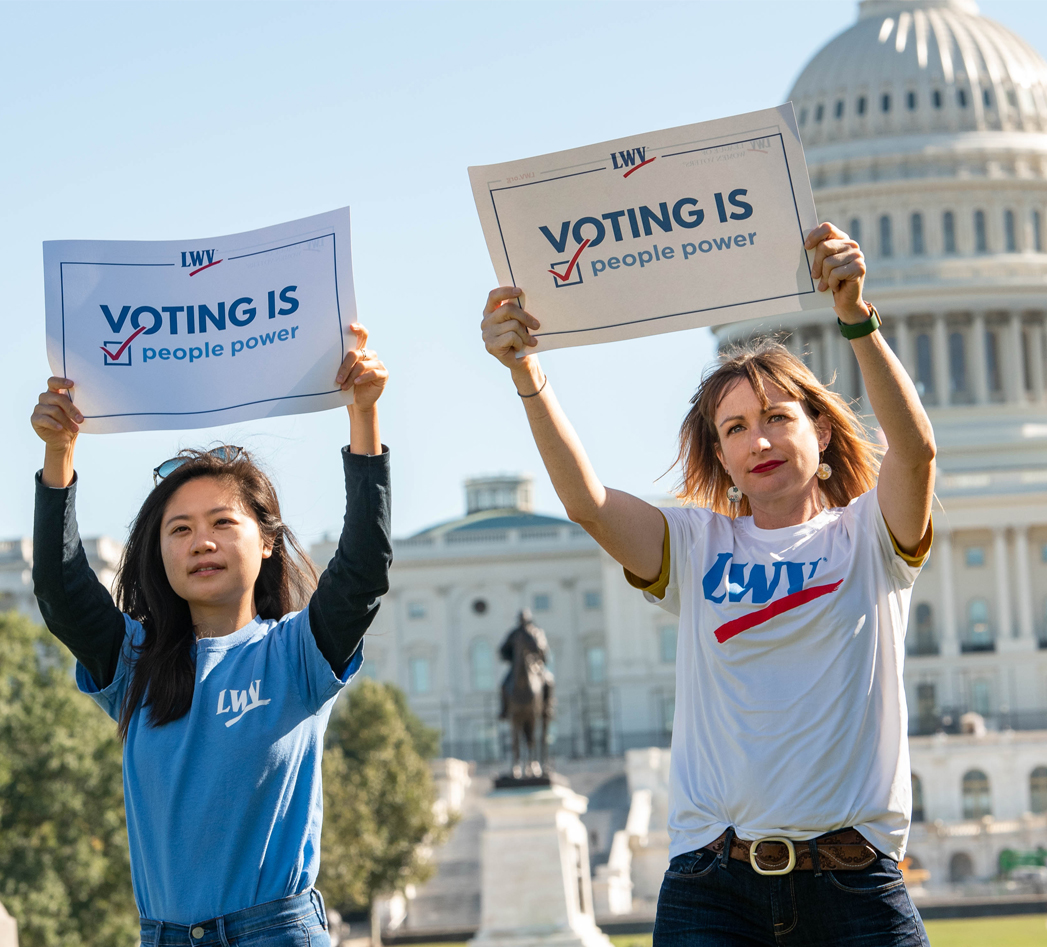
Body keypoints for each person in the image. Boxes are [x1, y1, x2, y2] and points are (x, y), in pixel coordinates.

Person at [480, 223, 934, 947]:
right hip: (712, 889)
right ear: (718, 456)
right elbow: (586, 503)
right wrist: (526, 374)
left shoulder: (869, 535)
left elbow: (913, 451)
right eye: (735, 428)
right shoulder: (692, 544)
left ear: (819, 431)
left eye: (777, 418)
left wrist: (854, 314)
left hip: (851, 884)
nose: (757, 440)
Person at [30, 324, 391, 947]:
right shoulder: (132, 662)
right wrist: (60, 453)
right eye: (179, 529)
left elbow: (362, 569)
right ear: (159, 554)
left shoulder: (298, 655)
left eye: (223, 522)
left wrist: (364, 413)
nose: (202, 541)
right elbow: (62, 591)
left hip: (277, 933)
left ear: (267, 541)